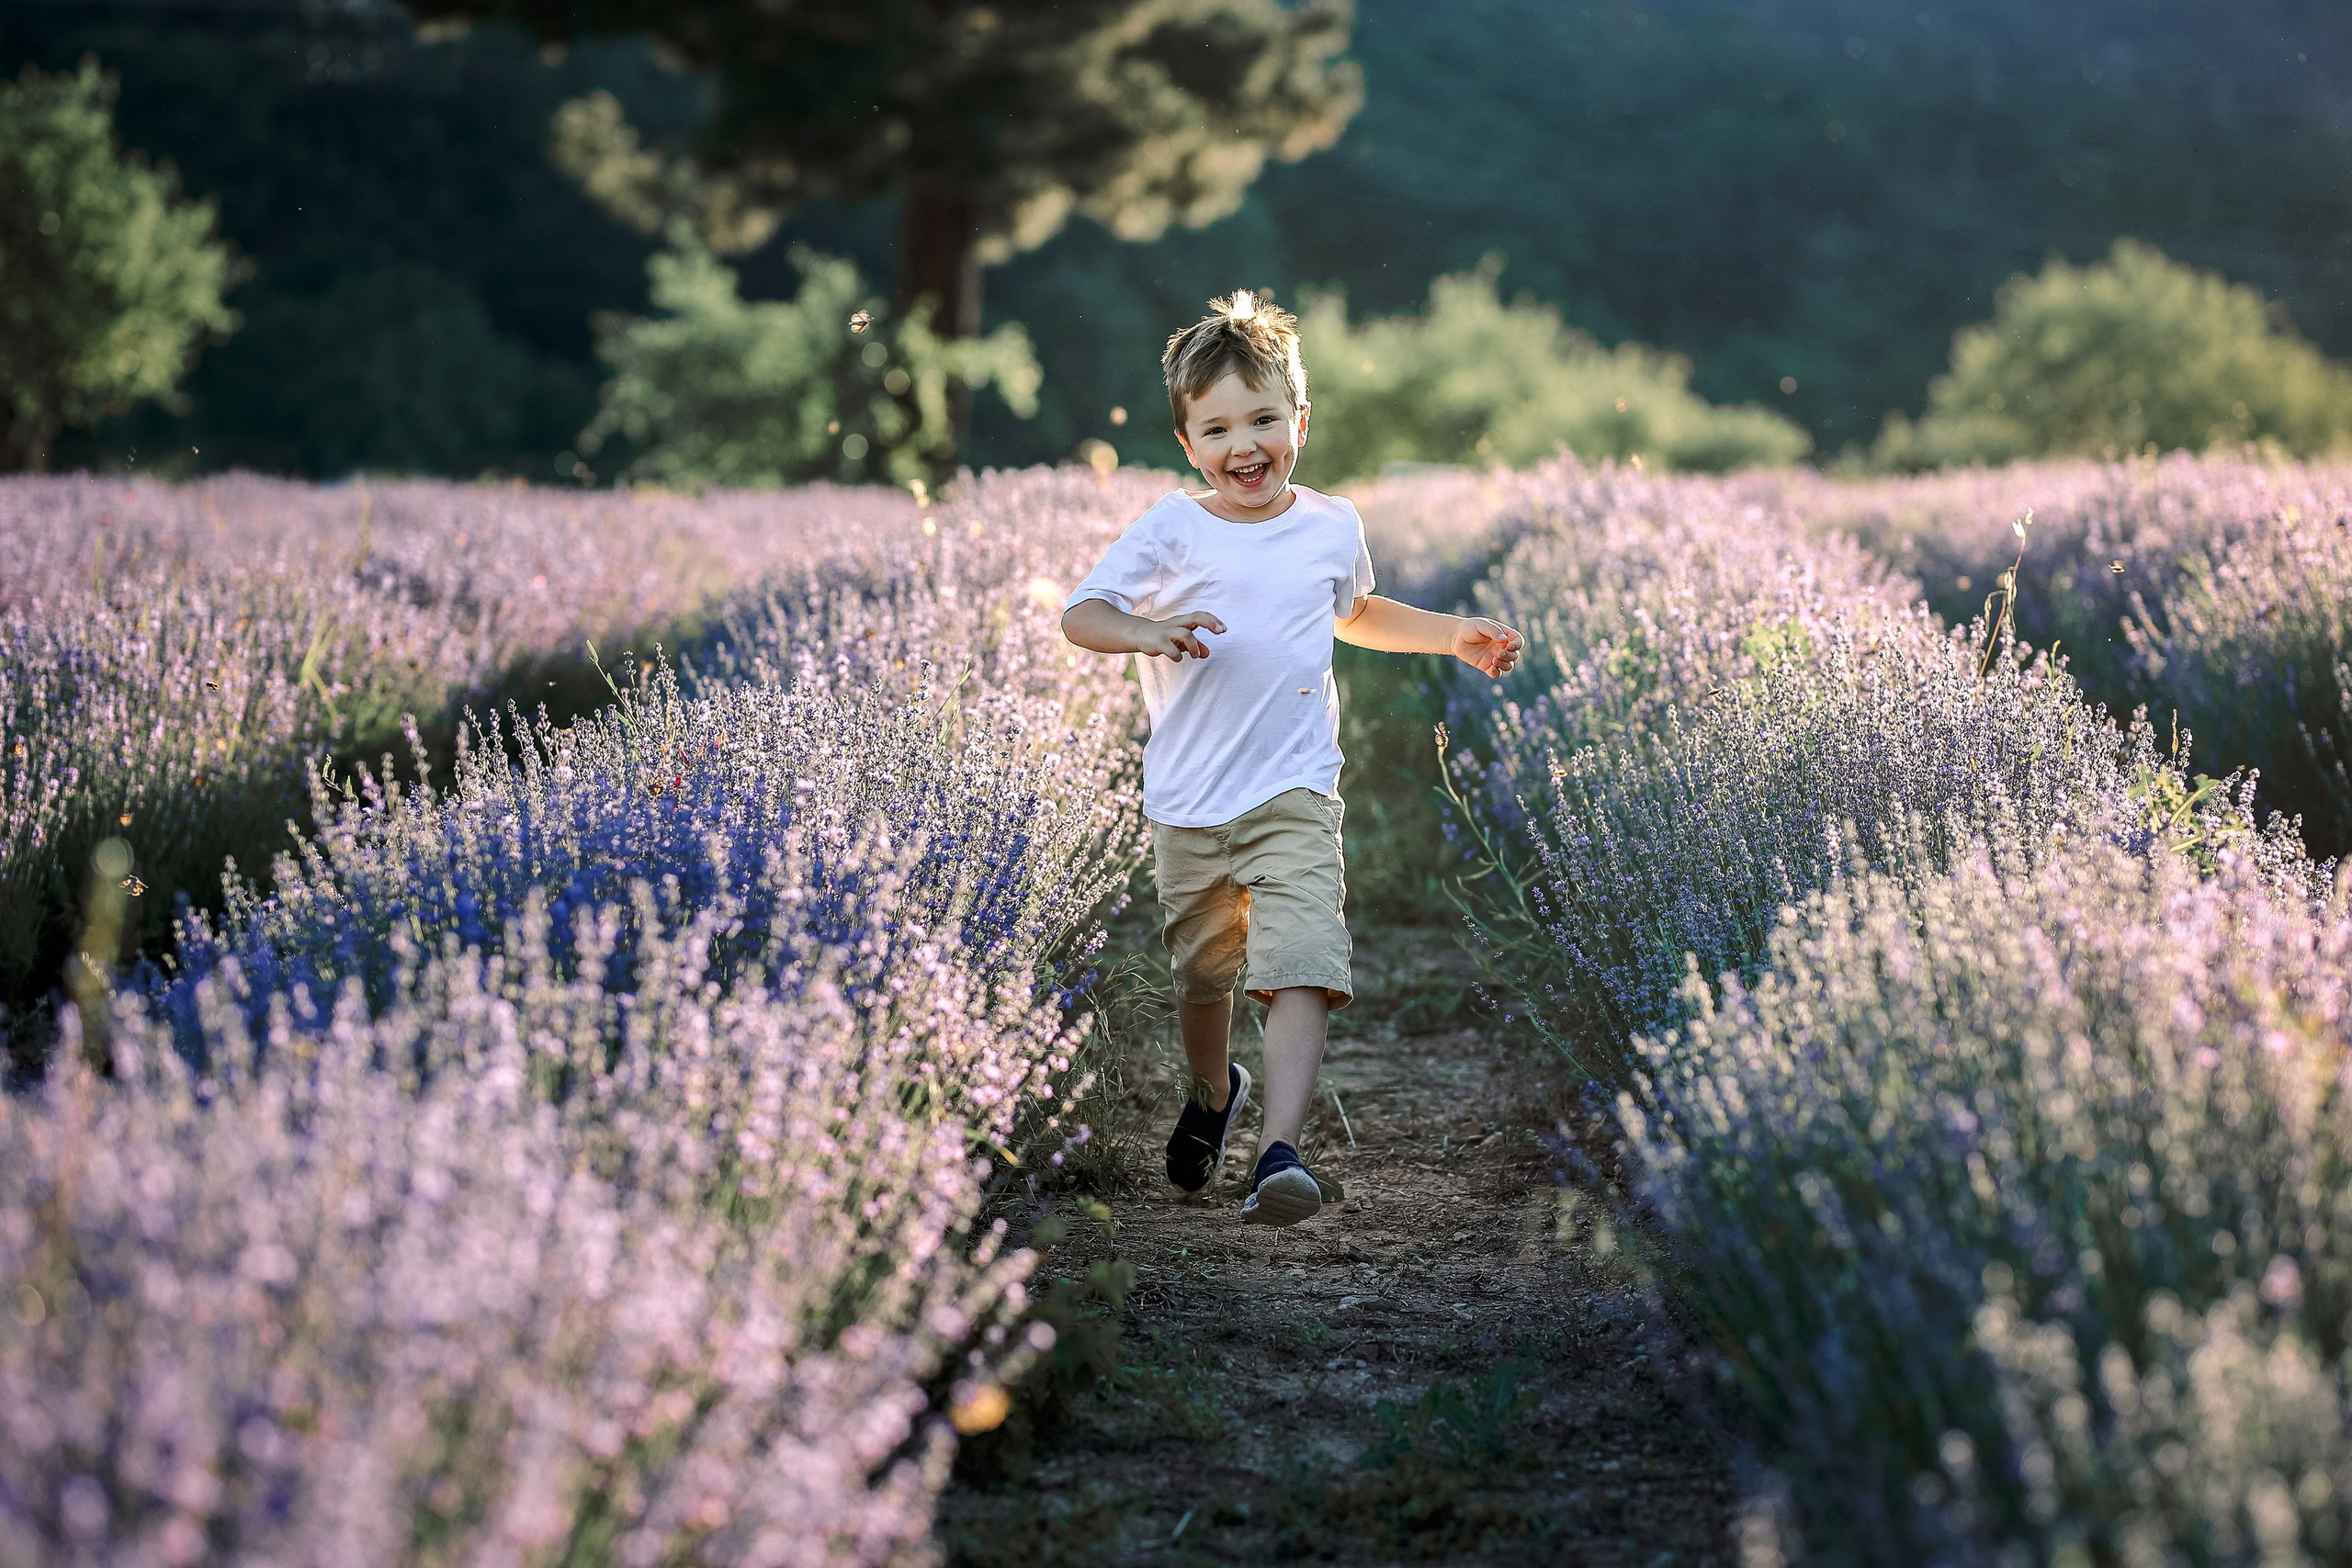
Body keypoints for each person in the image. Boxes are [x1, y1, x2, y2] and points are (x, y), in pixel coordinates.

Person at [1060, 290, 1524, 1226]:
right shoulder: (1170, 528)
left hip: (1295, 791)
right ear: (1188, 442)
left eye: (1264, 419)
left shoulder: (1329, 526)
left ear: (1299, 425)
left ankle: (1279, 1153)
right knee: (1203, 978)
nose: (1245, 445)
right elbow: (1082, 615)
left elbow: (1354, 614)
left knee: (1301, 960)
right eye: (1219, 426)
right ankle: (1209, 1095)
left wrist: (1448, 637)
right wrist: (1145, 630)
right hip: (1190, 803)